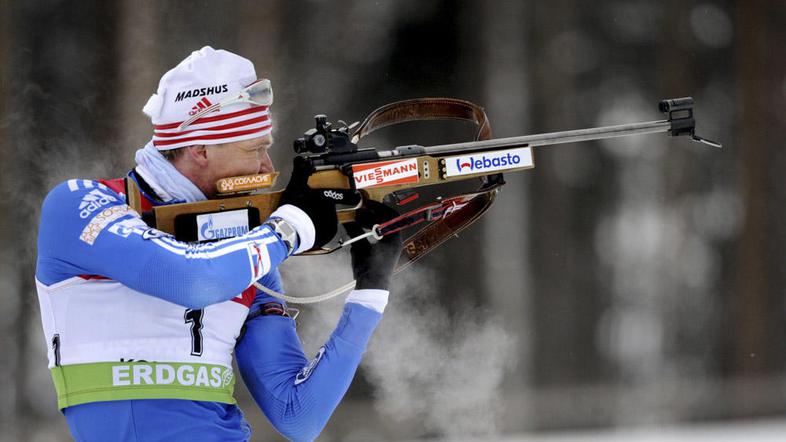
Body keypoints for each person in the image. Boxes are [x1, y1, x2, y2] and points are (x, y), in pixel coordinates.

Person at [35, 46, 401, 441]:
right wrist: (290, 227)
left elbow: (298, 415)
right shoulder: (80, 204)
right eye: (254, 149)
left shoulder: (246, 253)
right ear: (201, 149)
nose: (267, 167)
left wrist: (370, 293)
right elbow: (192, 278)